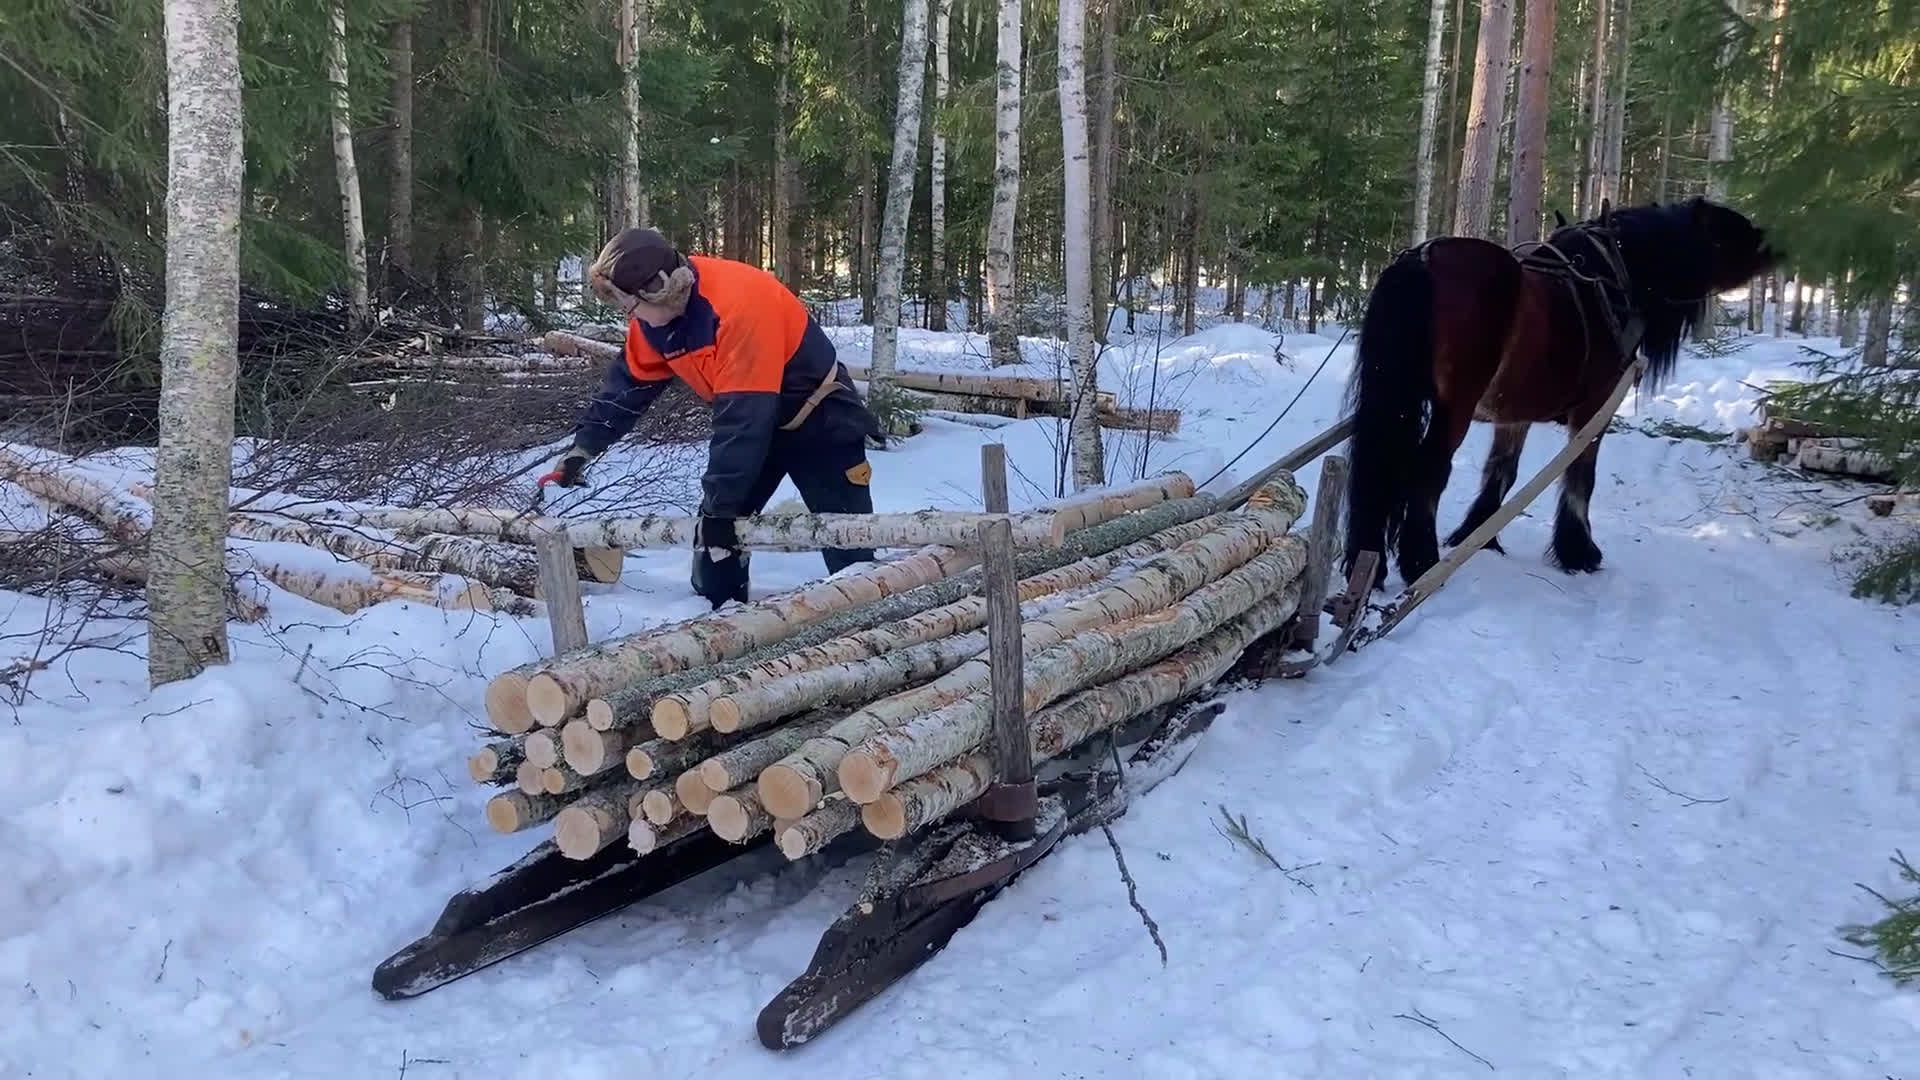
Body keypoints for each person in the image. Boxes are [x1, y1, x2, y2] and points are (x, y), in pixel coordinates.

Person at [550, 227, 882, 609]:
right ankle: (721, 624)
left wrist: (719, 507)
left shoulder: (738, 307)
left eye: (632, 306)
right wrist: (584, 447)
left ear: (660, 289)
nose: (631, 317)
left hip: (821, 420)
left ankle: (869, 627)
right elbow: (627, 387)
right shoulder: (652, 319)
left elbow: (742, 420)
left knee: (848, 543)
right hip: (757, 427)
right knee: (715, 548)